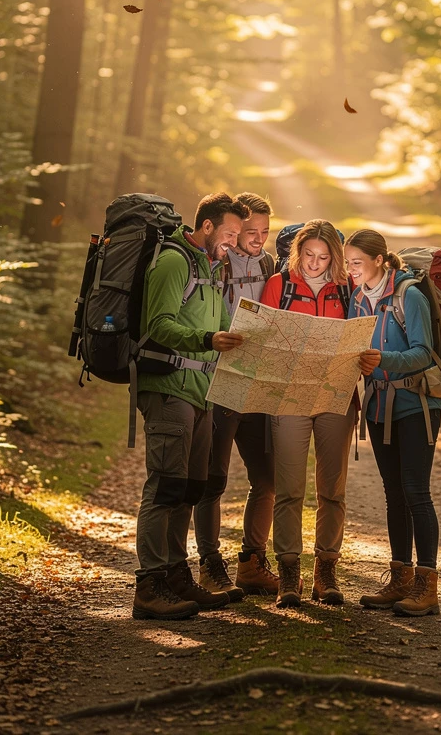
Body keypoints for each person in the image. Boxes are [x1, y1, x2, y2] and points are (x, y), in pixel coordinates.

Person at [131, 192, 247, 621]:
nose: (233, 242)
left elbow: (217, 328)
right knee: (164, 486)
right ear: (207, 225)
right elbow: (158, 324)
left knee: (190, 489)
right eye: (230, 233)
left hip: (201, 391)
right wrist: (206, 341)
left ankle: (177, 577)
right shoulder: (175, 261)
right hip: (168, 387)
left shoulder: (212, 268)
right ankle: (149, 585)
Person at [346, 229, 441, 617]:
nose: (351, 270)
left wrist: (383, 360)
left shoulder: (409, 296)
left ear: (380, 261)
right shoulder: (357, 299)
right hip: (378, 408)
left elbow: (424, 352)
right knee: (393, 493)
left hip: (416, 404)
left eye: (357, 262)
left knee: (416, 492)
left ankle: (426, 586)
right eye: (348, 262)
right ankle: (399, 579)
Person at [259, 219, 353, 607]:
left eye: (323, 257)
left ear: (335, 257)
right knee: (289, 488)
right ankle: (289, 576)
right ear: (297, 253)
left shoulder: (347, 289)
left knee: (332, 489)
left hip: (336, 396)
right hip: (289, 397)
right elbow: (260, 336)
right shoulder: (279, 286)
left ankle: (326, 573)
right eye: (308, 256)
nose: (314, 264)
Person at [193, 192, 279, 601]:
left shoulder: (269, 264)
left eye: (265, 231)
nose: (258, 238)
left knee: (268, 479)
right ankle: (210, 566)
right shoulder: (218, 260)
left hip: (259, 383)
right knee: (214, 479)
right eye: (250, 231)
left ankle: (252, 562)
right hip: (219, 381)